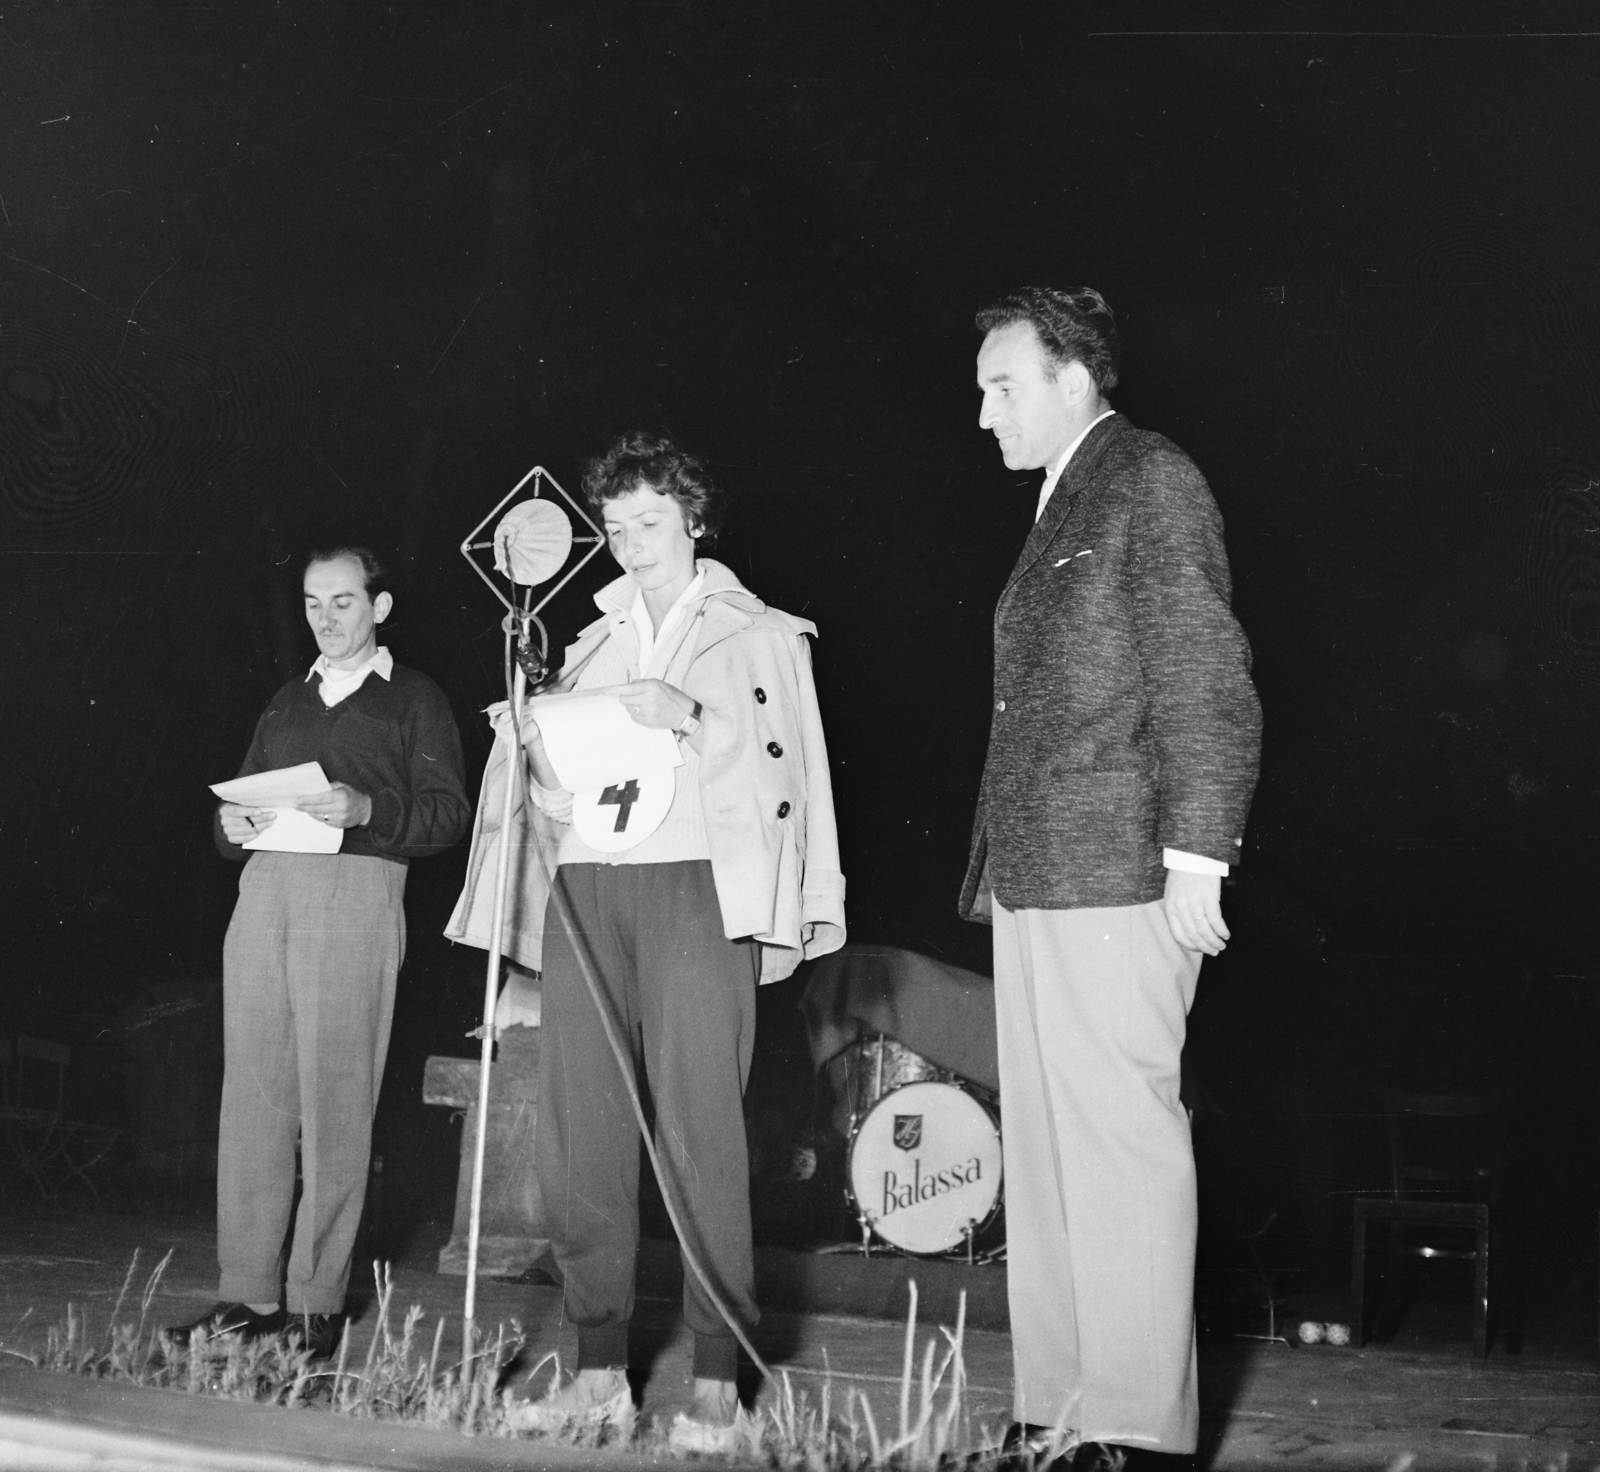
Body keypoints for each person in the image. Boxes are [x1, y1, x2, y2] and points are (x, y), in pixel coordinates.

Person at [961, 288, 1261, 1470]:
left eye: (1002, 384)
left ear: (1075, 374)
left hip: (1122, 867)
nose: (983, 412)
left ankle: (1133, 1423)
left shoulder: (1148, 476)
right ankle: (1057, 1409)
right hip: (1037, 874)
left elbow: (1204, 672)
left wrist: (1199, 854)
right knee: (1041, 1152)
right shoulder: (1056, 497)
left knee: (1119, 1149)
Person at [498, 430, 845, 1445]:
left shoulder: (757, 632)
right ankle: (598, 1361)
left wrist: (688, 714)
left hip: (699, 891)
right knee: (581, 1134)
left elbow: (790, 775)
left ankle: (715, 1375)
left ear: (695, 520)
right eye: (613, 526)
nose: (630, 542)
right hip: (589, 888)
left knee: (700, 1129)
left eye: (650, 521)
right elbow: (561, 793)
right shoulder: (589, 639)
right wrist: (535, 754)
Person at [168, 547, 470, 1359]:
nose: (326, 618)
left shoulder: (414, 698)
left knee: (336, 1104)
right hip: (266, 895)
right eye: (312, 603)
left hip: (357, 893)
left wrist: (367, 804)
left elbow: (447, 815)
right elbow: (236, 804)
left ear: (380, 605)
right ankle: (246, 1292)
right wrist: (230, 830)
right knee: (255, 1100)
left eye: (342, 601)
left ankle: (315, 1301)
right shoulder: (286, 699)